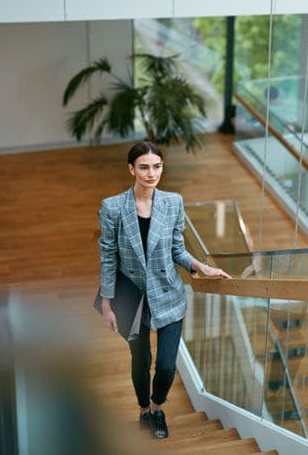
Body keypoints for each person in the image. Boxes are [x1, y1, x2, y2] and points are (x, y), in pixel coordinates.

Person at [98, 141, 230, 439]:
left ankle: (158, 408)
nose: (151, 173)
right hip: (131, 297)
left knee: (167, 366)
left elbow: (177, 250)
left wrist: (201, 267)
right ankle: (144, 410)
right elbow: (108, 256)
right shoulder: (113, 207)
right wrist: (107, 304)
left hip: (168, 293)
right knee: (141, 360)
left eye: (156, 166)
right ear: (131, 169)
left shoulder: (173, 202)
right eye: (143, 167)